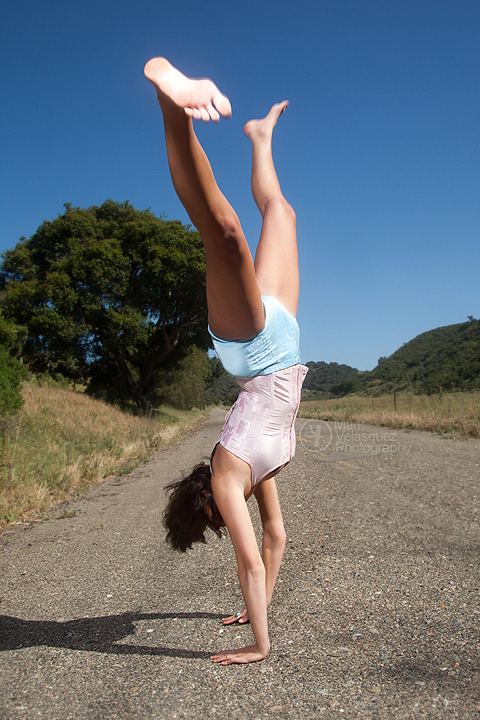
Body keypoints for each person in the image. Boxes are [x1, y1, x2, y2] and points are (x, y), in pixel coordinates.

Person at [144, 57, 308, 665]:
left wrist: (257, 645)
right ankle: (260, 140)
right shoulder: (252, 476)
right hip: (285, 338)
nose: (226, 521)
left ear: (208, 502)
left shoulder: (226, 474)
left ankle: (169, 101)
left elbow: (246, 556)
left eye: (216, 518)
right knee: (281, 213)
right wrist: (256, 602)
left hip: (252, 347)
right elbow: (274, 539)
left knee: (225, 232)